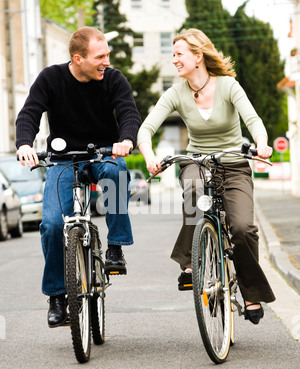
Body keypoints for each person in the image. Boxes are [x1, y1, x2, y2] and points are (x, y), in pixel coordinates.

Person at [137, 28, 275, 325]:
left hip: (234, 164)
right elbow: (146, 129)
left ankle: (250, 293)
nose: (174, 59)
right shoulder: (175, 93)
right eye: (172, 54)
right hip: (196, 161)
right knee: (194, 191)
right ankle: (190, 264)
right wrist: (150, 158)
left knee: (242, 227)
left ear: (198, 56)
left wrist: (262, 144)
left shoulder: (228, 86)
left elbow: (253, 120)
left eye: (179, 54)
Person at [16, 27, 141, 328]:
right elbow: (29, 113)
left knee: (115, 171)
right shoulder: (51, 79)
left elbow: (128, 113)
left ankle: (115, 247)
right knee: (51, 224)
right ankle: (57, 296)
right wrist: (24, 144)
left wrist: (125, 139)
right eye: (100, 56)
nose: (106, 62)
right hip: (63, 160)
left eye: (107, 55)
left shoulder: (113, 79)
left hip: (103, 153)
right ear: (78, 58)